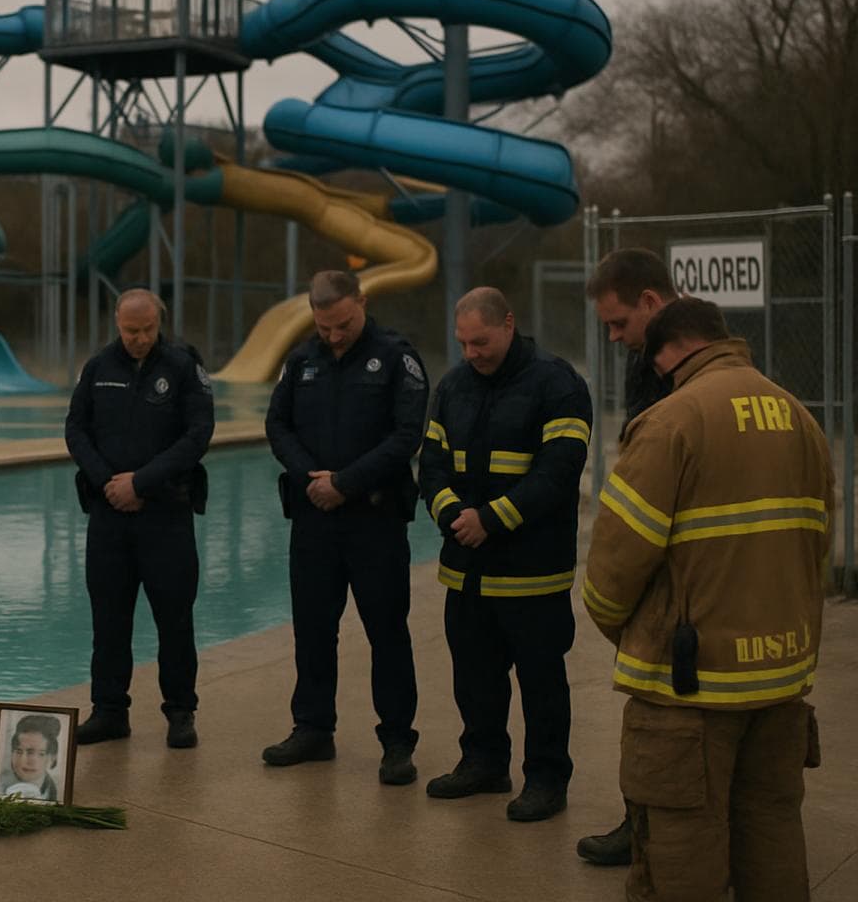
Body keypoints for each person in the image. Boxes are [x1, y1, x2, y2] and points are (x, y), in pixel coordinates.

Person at [583, 297, 832, 901]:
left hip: (689, 686)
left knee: (680, 848)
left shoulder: (672, 421)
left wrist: (636, 632)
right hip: (780, 677)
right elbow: (815, 548)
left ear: (668, 352)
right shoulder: (799, 417)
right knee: (772, 828)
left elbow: (610, 575)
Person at [418, 287, 592, 823]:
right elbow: (431, 465)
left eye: (482, 341)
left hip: (532, 573)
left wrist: (491, 519)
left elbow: (559, 469)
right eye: (464, 343)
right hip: (466, 571)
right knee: (474, 675)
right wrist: (451, 516)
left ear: (509, 323)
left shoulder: (557, 383)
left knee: (541, 681)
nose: (472, 353)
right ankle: (484, 763)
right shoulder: (452, 386)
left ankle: (545, 778)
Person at [260, 270, 426, 785]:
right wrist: (311, 477)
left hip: (373, 519)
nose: (333, 335)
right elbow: (276, 425)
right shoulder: (301, 359)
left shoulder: (398, 358)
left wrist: (346, 483)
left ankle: (397, 741)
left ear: (362, 302)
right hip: (314, 518)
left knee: (387, 633)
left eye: (343, 324)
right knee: (312, 630)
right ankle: (313, 728)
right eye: (324, 326)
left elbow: (407, 436)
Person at [64, 289, 214, 748]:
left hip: (166, 514)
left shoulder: (183, 366)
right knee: (108, 619)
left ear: (158, 321)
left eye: (148, 329)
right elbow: (76, 428)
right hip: (110, 517)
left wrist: (141, 482)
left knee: (175, 620)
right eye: (131, 330)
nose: (140, 338)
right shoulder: (98, 368)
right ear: (116, 323)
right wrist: (110, 481)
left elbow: (198, 433)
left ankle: (180, 711)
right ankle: (109, 710)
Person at [576, 247, 678, 866]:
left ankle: (650, 829)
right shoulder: (651, 360)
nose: (614, 338)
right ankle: (640, 819)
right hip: (661, 562)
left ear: (650, 302)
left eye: (618, 324)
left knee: (663, 714)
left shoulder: (685, 366)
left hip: (681, 570)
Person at [0, 714, 62, 802]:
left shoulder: (57, 791)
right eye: (18, 751)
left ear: (52, 758)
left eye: (33, 753)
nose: (23, 760)